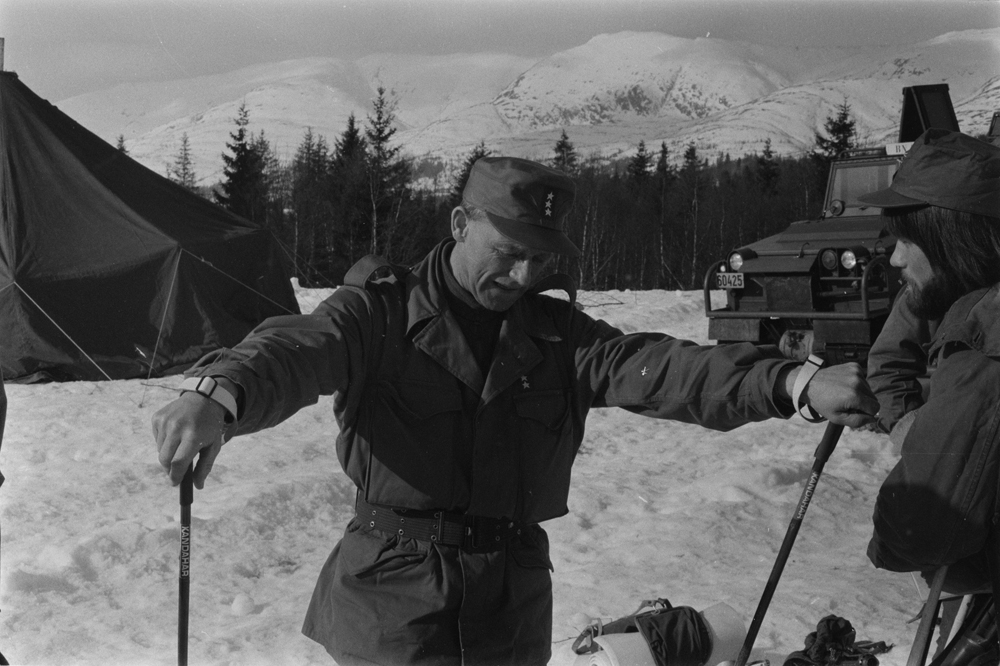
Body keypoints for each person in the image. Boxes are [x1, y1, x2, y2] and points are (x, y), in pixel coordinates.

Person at [153, 156, 876, 666]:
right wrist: (219, 393)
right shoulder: (378, 314)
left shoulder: (556, 334)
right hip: (397, 602)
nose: (525, 275)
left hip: (509, 601)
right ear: (460, 221)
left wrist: (791, 386)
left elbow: (663, 370)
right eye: (508, 252)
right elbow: (297, 348)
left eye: (541, 259)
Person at [859, 129, 1000, 598]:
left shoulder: (986, 339)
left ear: (952, 238)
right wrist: (906, 424)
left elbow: (919, 530)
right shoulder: (950, 290)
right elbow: (889, 358)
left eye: (907, 240)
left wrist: (886, 544)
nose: (895, 257)